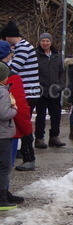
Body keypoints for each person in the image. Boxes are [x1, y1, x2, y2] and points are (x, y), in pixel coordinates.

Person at [1, 22, 39, 172]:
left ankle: (29, 158)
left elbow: (10, 69)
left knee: (24, 124)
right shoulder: (20, 47)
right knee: (19, 124)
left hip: (27, 93)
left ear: (9, 37)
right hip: (23, 90)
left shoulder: (23, 48)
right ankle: (20, 152)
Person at [34, 32, 66, 149]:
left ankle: (54, 137)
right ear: (40, 42)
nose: (45, 43)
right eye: (43, 41)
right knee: (41, 116)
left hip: (54, 90)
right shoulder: (35, 55)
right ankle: (39, 138)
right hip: (41, 90)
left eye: (47, 41)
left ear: (51, 42)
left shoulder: (56, 56)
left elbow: (62, 73)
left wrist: (61, 86)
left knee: (56, 115)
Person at [0, 63, 20, 208]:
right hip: (2, 133)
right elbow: (4, 114)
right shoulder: (3, 92)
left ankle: (4, 193)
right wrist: (14, 109)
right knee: (4, 166)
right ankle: (1, 197)